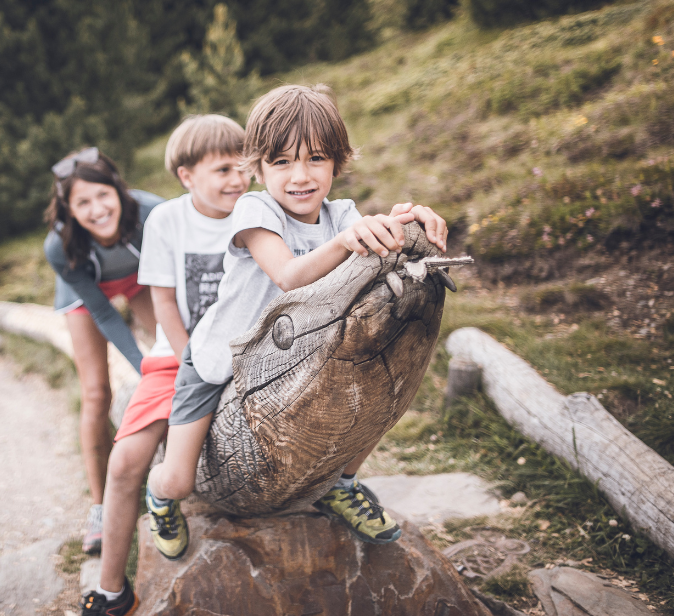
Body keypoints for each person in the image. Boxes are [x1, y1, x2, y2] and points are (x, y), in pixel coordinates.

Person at [144, 84, 449, 560]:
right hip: (217, 360)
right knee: (181, 478)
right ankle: (158, 497)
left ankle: (341, 485)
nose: (300, 176)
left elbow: (367, 242)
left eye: (316, 159)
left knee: (373, 402)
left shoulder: (341, 215)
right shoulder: (255, 210)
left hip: (292, 360)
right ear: (259, 169)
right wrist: (350, 240)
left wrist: (402, 223)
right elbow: (288, 275)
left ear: (338, 163)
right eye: (282, 162)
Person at [80, 116, 249, 616]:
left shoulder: (261, 213)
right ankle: (113, 589)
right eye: (223, 169)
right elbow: (166, 306)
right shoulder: (167, 221)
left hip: (251, 355)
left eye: (244, 167)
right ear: (186, 176)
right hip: (178, 355)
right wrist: (196, 363)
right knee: (126, 461)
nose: (238, 180)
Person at [44, 147, 163, 555]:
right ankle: (100, 505)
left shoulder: (151, 212)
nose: (96, 209)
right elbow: (105, 315)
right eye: (82, 202)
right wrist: (144, 367)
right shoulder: (60, 246)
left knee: (179, 354)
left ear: (118, 190)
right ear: (69, 210)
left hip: (140, 277)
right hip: (86, 294)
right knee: (97, 393)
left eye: (102, 195)